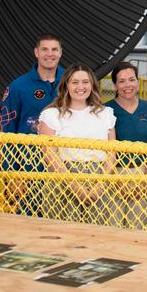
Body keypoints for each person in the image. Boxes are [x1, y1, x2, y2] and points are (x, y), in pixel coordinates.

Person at [36, 64, 116, 224]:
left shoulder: (105, 113)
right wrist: (76, 187)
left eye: (85, 82)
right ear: (66, 85)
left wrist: (100, 186)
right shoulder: (52, 115)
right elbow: (49, 155)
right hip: (64, 179)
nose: (81, 87)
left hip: (98, 180)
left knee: (98, 235)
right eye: (75, 82)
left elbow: (112, 152)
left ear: (92, 84)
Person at [0, 34, 64, 213]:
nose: (50, 54)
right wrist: (12, 173)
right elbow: (8, 130)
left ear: (61, 53)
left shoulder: (72, 82)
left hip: (65, 160)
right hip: (30, 162)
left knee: (64, 218)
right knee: (30, 216)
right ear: (36, 52)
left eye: (54, 49)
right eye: (45, 49)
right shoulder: (19, 86)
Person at [107, 61, 147, 230]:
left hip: (144, 173)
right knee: (113, 227)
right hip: (114, 173)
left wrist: (144, 182)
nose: (128, 85)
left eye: (131, 79)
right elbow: (105, 150)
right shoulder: (106, 110)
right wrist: (116, 182)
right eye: (122, 81)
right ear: (115, 85)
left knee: (139, 228)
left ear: (138, 81)